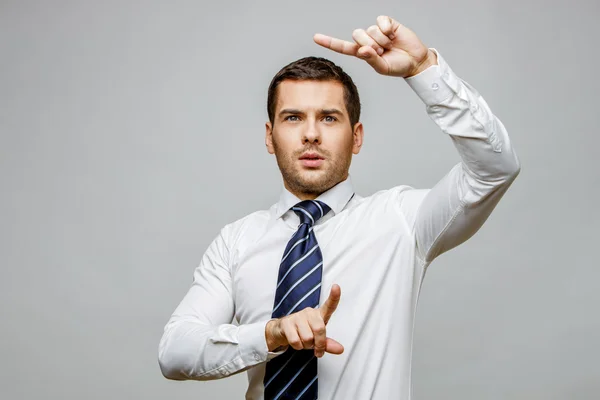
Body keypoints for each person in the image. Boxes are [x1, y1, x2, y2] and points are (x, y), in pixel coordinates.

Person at [157, 15, 520, 400]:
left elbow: (495, 169)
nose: (311, 133)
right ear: (269, 136)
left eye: (329, 118)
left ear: (356, 136)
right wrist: (271, 334)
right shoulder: (236, 241)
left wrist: (423, 70)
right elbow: (175, 351)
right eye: (293, 117)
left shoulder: (402, 222)